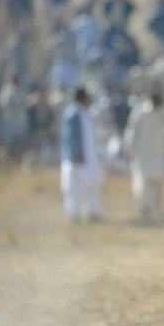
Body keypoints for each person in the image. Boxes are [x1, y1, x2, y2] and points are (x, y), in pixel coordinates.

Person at [60, 88, 105, 224]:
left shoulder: (87, 114)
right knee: (74, 188)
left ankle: (93, 213)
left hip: (90, 159)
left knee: (92, 186)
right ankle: (74, 215)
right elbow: (70, 138)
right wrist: (77, 154)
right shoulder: (72, 114)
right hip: (77, 160)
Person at [124, 92, 164, 223]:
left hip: (158, 154)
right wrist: (129, 149)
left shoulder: (163, 112)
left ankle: (156, 212)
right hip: (142, 154)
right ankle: (143, 212)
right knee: (143, 184)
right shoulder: (141, 112)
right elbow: (131, 132)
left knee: (157, 183)